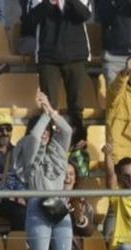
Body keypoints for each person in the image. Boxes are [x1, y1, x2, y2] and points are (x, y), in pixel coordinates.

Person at [17, 93, 79, 250]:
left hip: (59, 207)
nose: (44, 134)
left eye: (47, 131)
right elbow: (33, 136)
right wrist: (43, 115)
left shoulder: (58, 151)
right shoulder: (30, 151)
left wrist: (51, 110)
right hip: (37, 206)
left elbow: (68, 131)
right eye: (43, 130)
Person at [25, 0, 94, 143]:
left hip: (76, 55)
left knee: (76, 106)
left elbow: (85, 14)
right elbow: (30, 20)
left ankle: (77, 145)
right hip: (48, 57)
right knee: (50, 107)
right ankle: (51, 145)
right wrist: (49, 3)